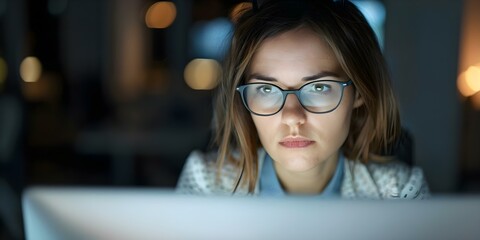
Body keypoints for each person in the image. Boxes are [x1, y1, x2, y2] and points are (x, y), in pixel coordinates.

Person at [176, 0, 429, 199]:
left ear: (360, 93)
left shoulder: (399, 190)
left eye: (318, 88)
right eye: (265, 90)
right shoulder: (206, 183)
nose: (292, 117)